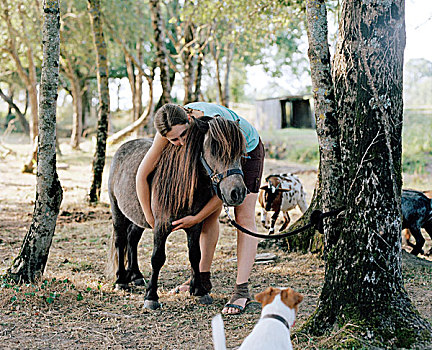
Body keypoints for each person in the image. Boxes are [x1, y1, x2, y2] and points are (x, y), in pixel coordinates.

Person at [136, 102, 265, 315]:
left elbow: (220, 189)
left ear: (189, 120)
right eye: (173, 140)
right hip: (214, 150)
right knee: (209, 219)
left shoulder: (213, 127)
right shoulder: (170, 125)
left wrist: (195, 218)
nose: (180, 142)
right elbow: (142, 174)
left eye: (184, 136)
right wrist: (151, 218)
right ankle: (201, 279)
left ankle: (241, 290)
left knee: (243, 217)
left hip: (244, 150)